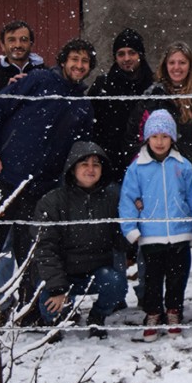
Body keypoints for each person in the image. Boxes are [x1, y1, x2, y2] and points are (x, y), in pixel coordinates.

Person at [0, 38, 96, 347]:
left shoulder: (83, 105)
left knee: (33, 254)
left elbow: (77, 152)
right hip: (2, 179)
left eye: (85, 62)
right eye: (74, 59)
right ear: (63, 60)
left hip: (40, 188)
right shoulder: (38, 80)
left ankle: (32, 314)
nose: (79, 66)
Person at [119, 109, 192, 342]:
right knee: (152, 279)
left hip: (179, 233)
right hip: (151, 234)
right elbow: (127, 198)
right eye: (155, 136)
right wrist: (130, 229)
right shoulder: (137, 167)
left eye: (165, 136)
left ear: (172, 138)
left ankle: (174, 311)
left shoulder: (182, 165)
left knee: (178, 277)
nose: (159, 141)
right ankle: (153, 312)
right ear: (147, 138)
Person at [31, 141, 128, 338]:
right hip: (62, 272)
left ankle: (98, 316)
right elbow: (44, 247)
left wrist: (136, 212)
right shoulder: (52, 201)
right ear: (72, 168)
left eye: (96, 164)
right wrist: (57, 288)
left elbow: (121, 238)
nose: (90, 169)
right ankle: (56, 320)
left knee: (116, 283)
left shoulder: (113, 198)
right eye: (84, 164)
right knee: (50, 304)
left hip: (96, 270)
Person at [128, 42, 192, 186]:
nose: (176, 67)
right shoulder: (151, 100)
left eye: (182, 62)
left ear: (190, 66)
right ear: (165, 65)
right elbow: (133, 141)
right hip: (157, 179)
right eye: (172, 62)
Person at [89, 28, 153, 182]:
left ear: (140, 55)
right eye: (121, 54)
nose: (127, 58)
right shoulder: (102, 86)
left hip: (146, 164)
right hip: (109, 166)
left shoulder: (153, 86)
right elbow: (92, 124)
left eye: (132, 52)